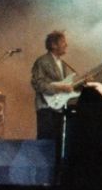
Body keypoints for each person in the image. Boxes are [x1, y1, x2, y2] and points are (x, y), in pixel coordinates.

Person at [31, 30, 79, 178]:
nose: (66, 45)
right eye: (63, 42)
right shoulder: (42, 61)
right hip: (46, 107)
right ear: (53, 44)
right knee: (45, 142)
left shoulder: (63, 64)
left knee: (58, 145)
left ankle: (55, 178)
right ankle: (41, 178)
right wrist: (60, 87)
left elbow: (66, 86)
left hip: (58, 109)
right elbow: (38, 84)